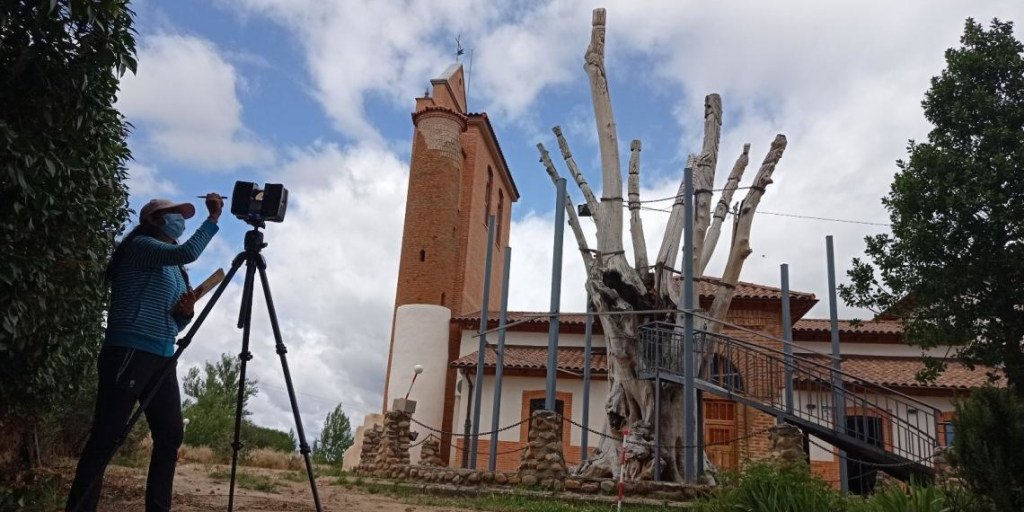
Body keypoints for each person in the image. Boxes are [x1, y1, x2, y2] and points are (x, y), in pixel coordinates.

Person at [66, 193, 224, 512]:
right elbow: (189, 250)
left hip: (162, 355)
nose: (180, 219)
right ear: (154, 220)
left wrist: (186, 311)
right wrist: (213, 218)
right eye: (174, 214)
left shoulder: (176, 270)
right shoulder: (141, 248)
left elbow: (174, 323)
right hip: (129, 350)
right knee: (107, 435)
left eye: (182, 214)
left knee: (169, 436)